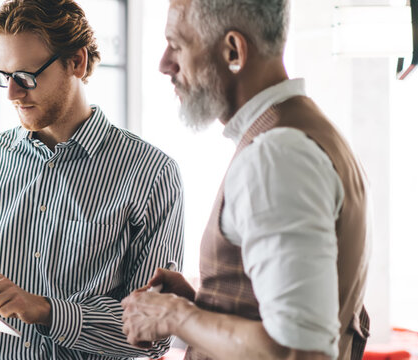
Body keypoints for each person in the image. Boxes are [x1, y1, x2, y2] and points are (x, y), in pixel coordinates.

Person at [0, 0, 184, 358]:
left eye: (25, 77)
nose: (11, 94)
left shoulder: (151, 173)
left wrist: (47, 311)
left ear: (77, 62)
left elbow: (155, 333)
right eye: (2, 77)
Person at [121, 0, 371, 359]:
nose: (164, 64)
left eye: (177, 44)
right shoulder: (305, 135)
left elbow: (298, 351)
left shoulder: (276, 156)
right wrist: (204, 302)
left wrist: (175, 315)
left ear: (233, 51)